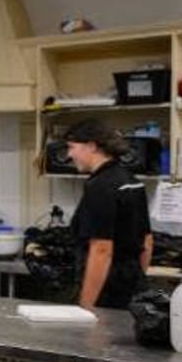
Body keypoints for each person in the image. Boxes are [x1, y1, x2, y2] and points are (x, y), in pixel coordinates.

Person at [64, 118, 153, 309]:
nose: (69, 154)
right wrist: (136, 281)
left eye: (72, 147)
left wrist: (86, 307)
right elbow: (147, 241)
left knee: (100, 338)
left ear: (91, 146)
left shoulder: (100, 186)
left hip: (107, 293)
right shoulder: (132, 180)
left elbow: (101, 249)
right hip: (133, 287)